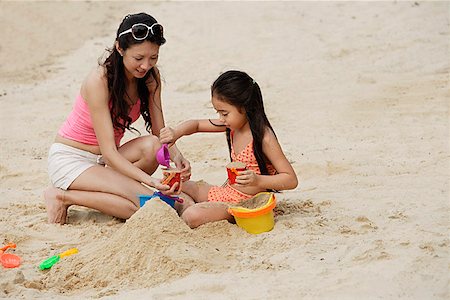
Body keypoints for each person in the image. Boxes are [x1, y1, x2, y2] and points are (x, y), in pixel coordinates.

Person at [44, 13, 191, 224]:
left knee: (154, 146)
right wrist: (150, 182)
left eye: (154, 57)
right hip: (73, 160)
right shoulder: (99, 81)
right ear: (120, 48)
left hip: (105, 161)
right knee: (146, 203)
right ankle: (62, 196)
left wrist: (177, 157)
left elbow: (160, 132)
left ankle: (119, 191)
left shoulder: (150, 78)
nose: (146, 66)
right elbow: (109, 152)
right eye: (138, 58)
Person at [159, 70, 298, 228]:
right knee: (175, 186)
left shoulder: (263, 138)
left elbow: (290, 179)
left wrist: (258, 180)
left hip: (244, 204)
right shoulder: (233, 126)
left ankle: (191, 209)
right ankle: (190, 206)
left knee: (192, 215)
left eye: (224, 113)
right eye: (218, 113)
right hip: (225, 192)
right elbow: (196, 124)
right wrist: (176, 133)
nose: (221, 119)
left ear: (244, 108)